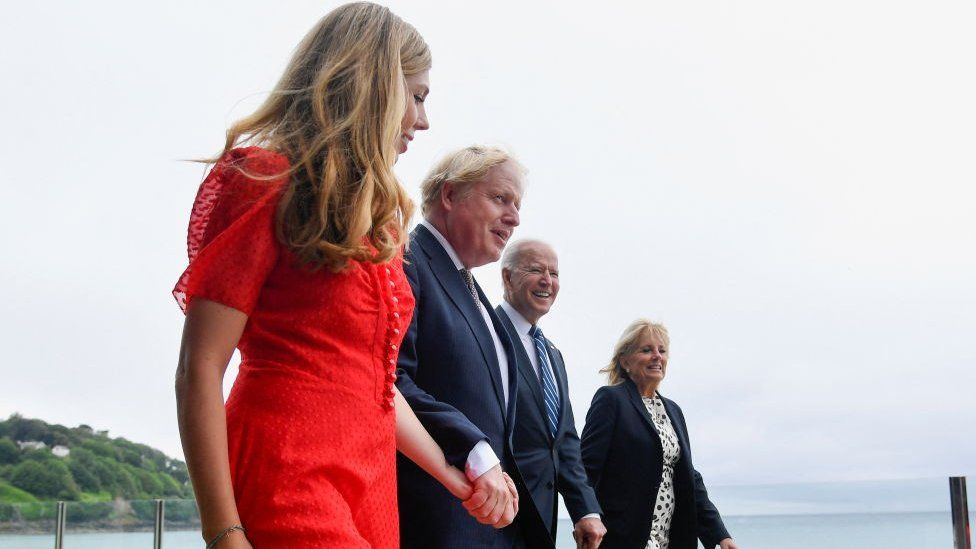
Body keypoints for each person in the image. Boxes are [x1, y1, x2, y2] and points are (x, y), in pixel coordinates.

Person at [172, 4, 475, 548]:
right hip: (287, 471)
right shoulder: (262, 181)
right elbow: (200, 365)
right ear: (376, 85)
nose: (424, 120)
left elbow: (376, 385)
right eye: (419, 95)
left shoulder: (377, 224)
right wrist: (222, 530)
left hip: (372, 488)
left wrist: (447, 472)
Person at [395, 145, 542, 548]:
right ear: (449, 195)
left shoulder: (476, 292)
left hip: (492, 525)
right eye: (500, 199)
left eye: (517, 204)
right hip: (435, 523)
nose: (514, 217)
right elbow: (388, 380)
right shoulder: (406, 261)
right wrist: (474, 449)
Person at [580, 320, 738, 549]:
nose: (657, 356)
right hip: (623, 538)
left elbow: (689, 478)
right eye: (646, 350)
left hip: (670, 539)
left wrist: (720, 535)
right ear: (625, 361)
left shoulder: (673, 410)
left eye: (662, 351)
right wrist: (587, 516)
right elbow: (586, 467)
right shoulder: (611, 400)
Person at [494, 240, 606, 548]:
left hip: (541, 522)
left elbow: (565, 440)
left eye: (554, 273)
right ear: (507, 277)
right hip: (493, 517)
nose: (548, 281)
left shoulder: (552, 355)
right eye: (535, 270)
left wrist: (586, 510)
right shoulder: (485, 333)